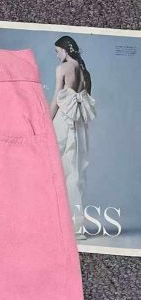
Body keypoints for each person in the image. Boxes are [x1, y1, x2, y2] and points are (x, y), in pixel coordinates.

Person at [50, 36, 96, 240]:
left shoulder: (62, 69)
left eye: (57, 51)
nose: (57, 55)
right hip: (78, 125)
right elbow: (85, 100)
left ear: (65, 49)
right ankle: (75, 228)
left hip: (62, 121)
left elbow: (56, 100)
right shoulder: (86, 72)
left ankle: (58, 225)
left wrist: (46, 121)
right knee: (75, 173)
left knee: (57, 170)